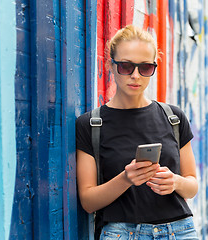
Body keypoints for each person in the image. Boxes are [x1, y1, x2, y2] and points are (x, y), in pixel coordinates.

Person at [76, 25, 199, 240]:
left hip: (179, 231)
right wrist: (126, 178)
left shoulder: (174, 117)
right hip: (121, 233)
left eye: (145, 68)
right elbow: (88, 201)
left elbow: (191, 186)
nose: (135, 75)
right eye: (125, 66)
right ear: (110, 65)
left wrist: (175, 182)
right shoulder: (91, 124)